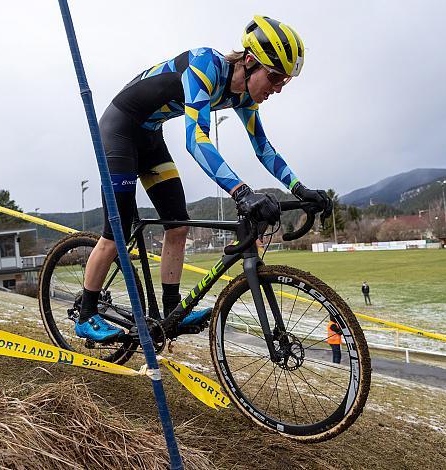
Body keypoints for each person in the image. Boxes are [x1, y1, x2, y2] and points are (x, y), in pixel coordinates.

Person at [76, 16, 333, 340]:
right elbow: (195, 138)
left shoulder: (244, 98)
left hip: (150, 137)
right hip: (119, 131)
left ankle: (171, 312)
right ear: (250, 61)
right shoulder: (204, 64)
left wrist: (300, 188)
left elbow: (263, 148)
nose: (277, 88)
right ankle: (86, 313)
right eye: (275, 77)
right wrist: (241, 192)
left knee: (179, 225)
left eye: (284, 82)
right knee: (117, 230)